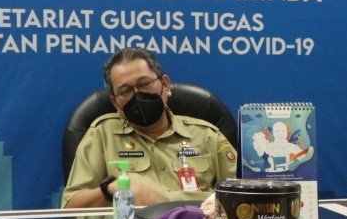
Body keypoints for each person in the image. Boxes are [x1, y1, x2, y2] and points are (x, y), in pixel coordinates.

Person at [62, 48, 238, 208]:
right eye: (125, 91)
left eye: (144, 83)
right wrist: (112, 189)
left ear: (165, 85)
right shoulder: (102, 135)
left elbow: (245, 196)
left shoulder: (206, 135)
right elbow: (69, 209)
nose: (137, 95)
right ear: (115, 103)